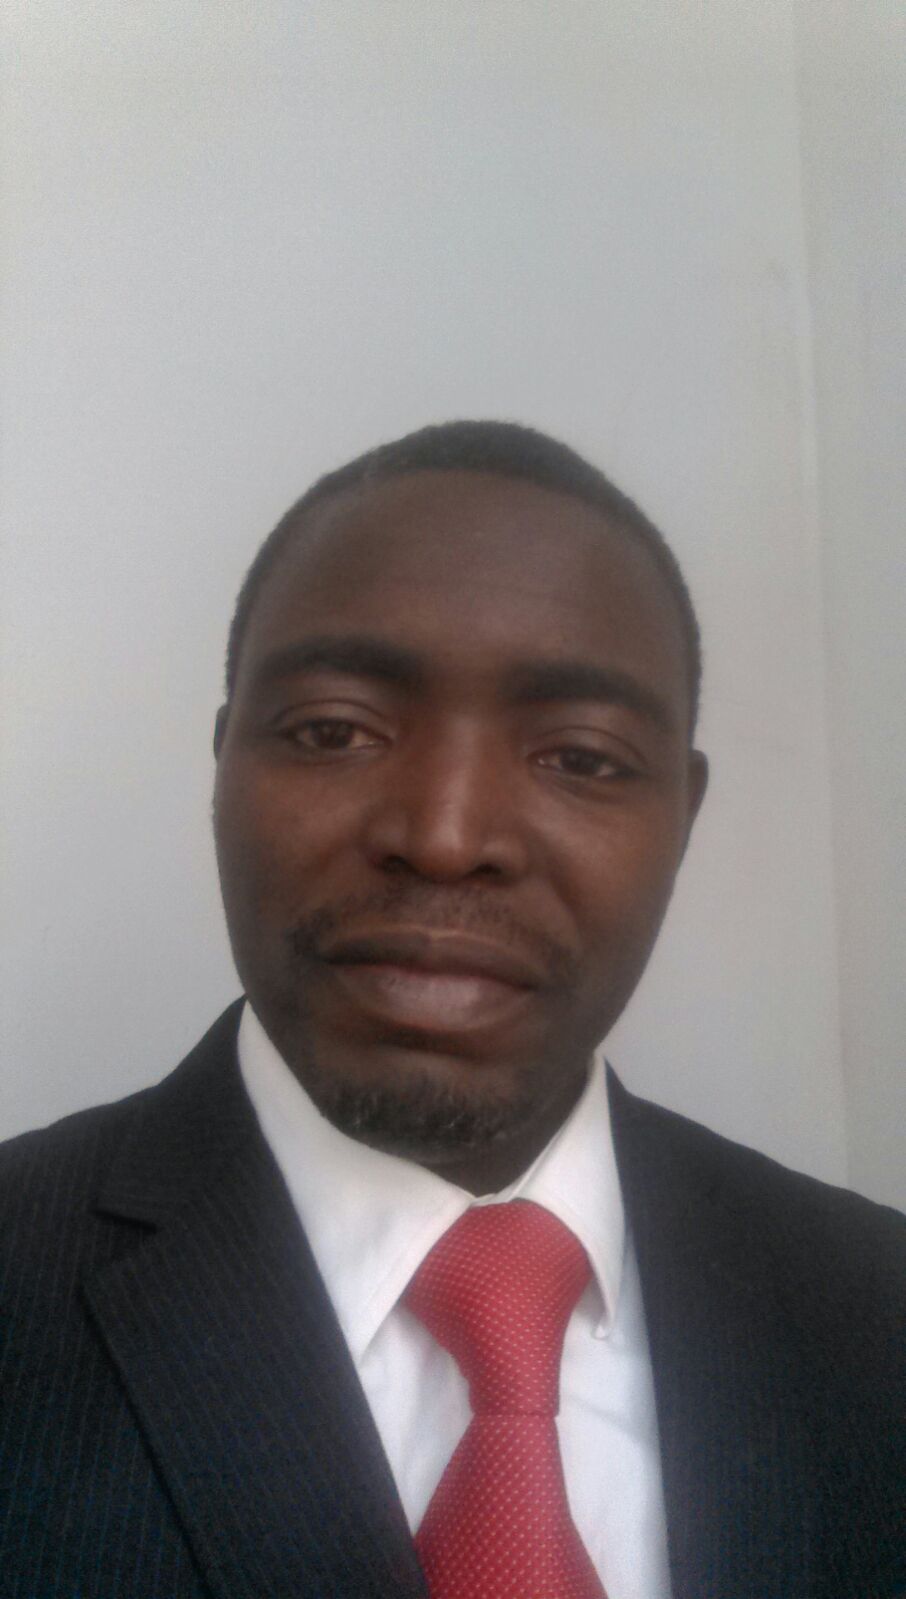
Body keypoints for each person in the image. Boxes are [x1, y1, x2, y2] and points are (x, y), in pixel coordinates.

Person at [0, 421, 902, 1599]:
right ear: (224, 766)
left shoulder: (876, 1311)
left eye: (582, 757)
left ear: (683, 817)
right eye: (334, 731)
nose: (443, 836)